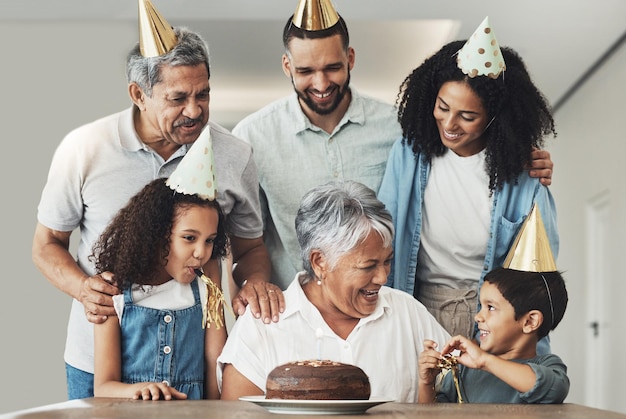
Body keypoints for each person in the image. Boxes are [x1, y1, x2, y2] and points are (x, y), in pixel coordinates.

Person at [32, 3, 283, 400]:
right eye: (178, 98)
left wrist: (254, 283)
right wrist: (85, 289)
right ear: (138, 94)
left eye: (204, 94)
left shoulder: (234, 155)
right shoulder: (85, 149)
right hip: (95, 361)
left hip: (190, 368)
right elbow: (46, 245)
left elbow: (250, 248)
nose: (195, 110)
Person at [232, 2, 554, 291]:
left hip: (381, 307)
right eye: (305, 71)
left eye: (332, 67)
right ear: (287, 66)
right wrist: (255, 283)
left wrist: (517, 153)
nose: (320, 83)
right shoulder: (252, 136)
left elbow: (468, 143)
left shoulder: (402, 128)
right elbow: (247, 240)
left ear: (351, 58)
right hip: (296, 312)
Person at [377, 17, 558, 342]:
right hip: (415, 305)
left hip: (492, 317)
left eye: (468, 116)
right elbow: (384, 231)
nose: (449, 124)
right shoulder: (408, 154)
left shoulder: (523, 172)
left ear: (494, 120)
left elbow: (537, 273)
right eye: (442, 107)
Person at [217, 180, 451, 402]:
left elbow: (459, 387)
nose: (383, 277)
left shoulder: (407, 313)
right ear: (320, 262)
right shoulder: (262, 327)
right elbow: (237, 413)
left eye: (387, 261)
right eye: (368, 266)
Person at [92, 132, 229, 400]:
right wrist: (139, 390)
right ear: (157, 235)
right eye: (189, 238)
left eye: (210, 240)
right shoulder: (114, 292)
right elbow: (103, 387)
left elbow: (215, 364)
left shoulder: (207, 283)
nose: (201, 253)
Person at [418, 266, 569, 403]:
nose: (478, 316)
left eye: (490, 307)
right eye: (481, 306)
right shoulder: (464, 370)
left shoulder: (548, 365)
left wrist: (484, 361)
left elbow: (553, 389)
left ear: (530, 322)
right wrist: (426, 384)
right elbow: (432, 415)